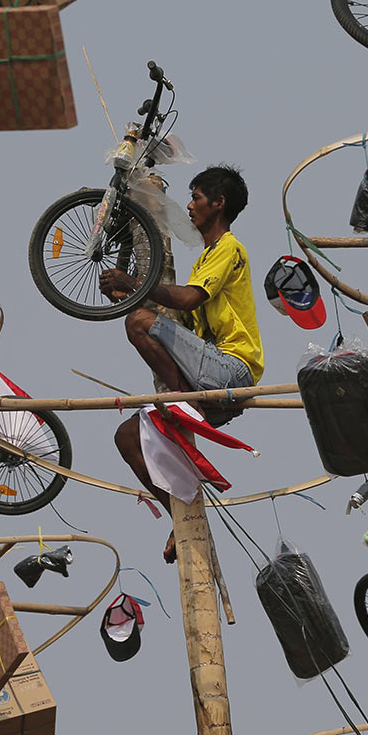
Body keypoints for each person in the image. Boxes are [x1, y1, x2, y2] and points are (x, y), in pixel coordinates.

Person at [99, 165, 263, 563]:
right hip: (207, 369)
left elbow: (187, 300)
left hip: (232, 369)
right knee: (126, 437)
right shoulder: (206, 258)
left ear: (218, 204)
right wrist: (127, 290)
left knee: (138, 322)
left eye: (196, 197)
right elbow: (179, 326)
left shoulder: (228, 249)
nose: (189, 205)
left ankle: (179, 402)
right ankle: (181, 518)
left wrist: (134, 285)